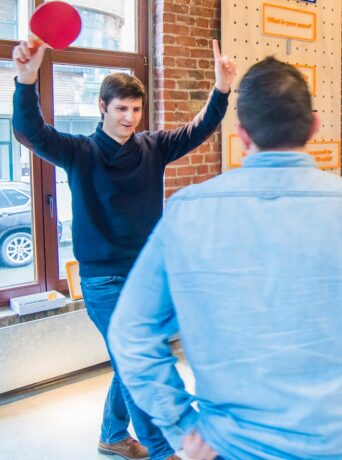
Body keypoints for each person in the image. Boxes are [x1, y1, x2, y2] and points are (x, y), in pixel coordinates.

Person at [108, 57, 342, 460]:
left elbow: (130, 334)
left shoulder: (187, 212)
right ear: (314, 127)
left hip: (230, 449)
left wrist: (183, 427)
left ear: (242, 136)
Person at [12, 39, 236, 460]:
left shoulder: (153, 148)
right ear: (102, 107)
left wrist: (220, 90)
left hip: (147, 274)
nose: (129, 118)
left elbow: (199, 128)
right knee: (136, 362)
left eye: (135, 109)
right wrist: (26, 79)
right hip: (103, 280)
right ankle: (161, 448)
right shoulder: (79, 152)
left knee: (131, 358)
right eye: (121, 109)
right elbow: (29, 130)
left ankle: (112, 434)